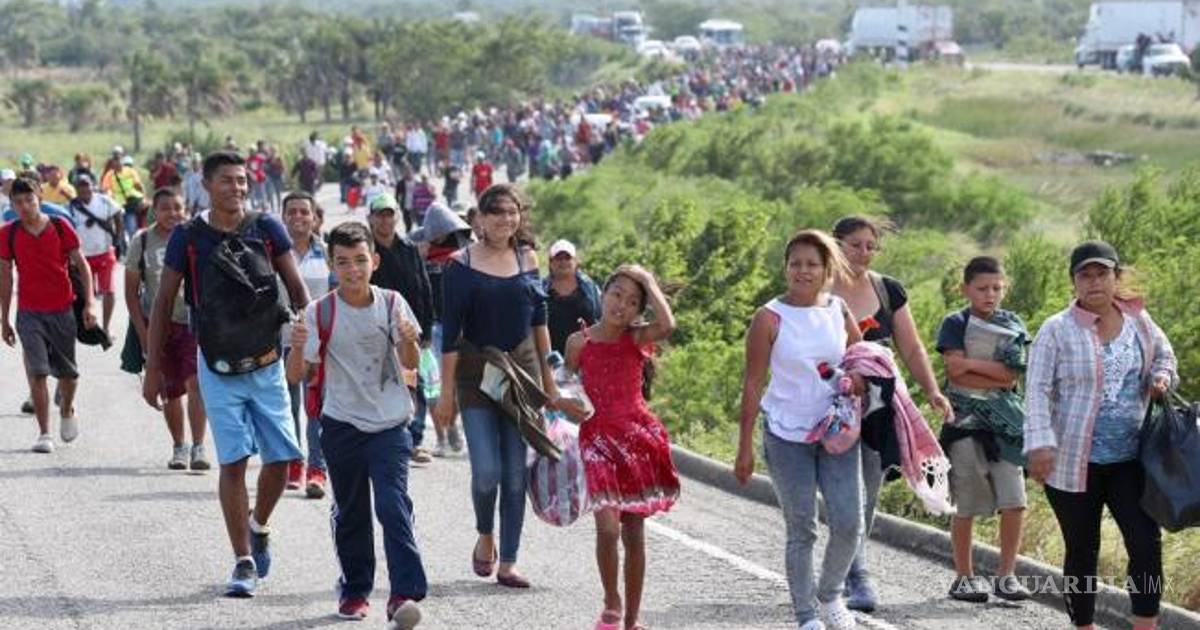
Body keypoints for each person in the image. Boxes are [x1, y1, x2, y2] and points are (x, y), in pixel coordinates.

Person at [143, 151, 310, 597]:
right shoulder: (188, 237)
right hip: (216, 366)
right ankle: (243, 561)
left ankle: (259, 525)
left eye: (241, 181)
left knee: (281, 459)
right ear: (205, 184)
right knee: (233, 462)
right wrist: (153, 368)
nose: (236, 188)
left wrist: (315, 341)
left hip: (267, 363)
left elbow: (297, 289)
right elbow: (163, 302)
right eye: (226, 181)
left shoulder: (266, 227)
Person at [1025, 240, 1177, 630]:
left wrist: (1161, 377)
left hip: (1131, 459)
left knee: (1145, 542)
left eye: (1102, 273)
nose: (1094, 282)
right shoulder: (1056, 330)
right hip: (1073, 462)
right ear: (1073, 282)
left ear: (1116, 277)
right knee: (1082, 548)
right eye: (1085, 275)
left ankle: (1145, 624)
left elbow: (1165, 356)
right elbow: (1037, 389)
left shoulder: (1140, 321)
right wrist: (1039, 444)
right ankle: (1083, 625)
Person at [285, 222, 427, 629]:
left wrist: (408, 339)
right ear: (332, 265)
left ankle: (403, 594)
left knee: (392, 505)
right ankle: (355, 589)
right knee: (351, 512)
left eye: (360, 260)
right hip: (342, 424)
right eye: (343, 262)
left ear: (375, 261)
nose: (353, 270)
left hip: (390, 424)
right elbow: (296, 375)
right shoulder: (320, 312)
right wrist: (297, 346)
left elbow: (411, 362)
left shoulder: (392, 303)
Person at [734, 230, 865, 630]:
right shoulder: (769, 317)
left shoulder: (838, 310)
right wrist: (744, 448)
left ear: (826, 270)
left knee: (849, 523)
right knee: (802, 528)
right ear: (785, 268)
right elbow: (753, 383)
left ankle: (830, 596)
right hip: (786, 435)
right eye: (795, 264)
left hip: (837, 433)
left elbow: (861, 358)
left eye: (812, 264)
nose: (803, 271)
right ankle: (806, 615)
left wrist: (859, 381)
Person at [431, 183, 559, 589]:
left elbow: (539, 323)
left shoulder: (528, 258)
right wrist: (446, 397)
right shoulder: (459, 264)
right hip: (476, 374)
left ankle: (509, 562)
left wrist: (550, 383)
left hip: (521, 375)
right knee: (487, 472)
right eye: (497, 212)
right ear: (480, 219)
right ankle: (485, 533)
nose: (506, 219)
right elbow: (450, 335)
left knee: (516, 475)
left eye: (512, 212)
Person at [829, 216, 953, 613]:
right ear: (835, 244)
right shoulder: (817, 286)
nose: (863, 253)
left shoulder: (888, 290)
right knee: (841, 491)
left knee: (867, 490)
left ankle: (855, 574)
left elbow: (912, 347)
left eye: (871, 246)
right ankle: (843, 572)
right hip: (828, 404)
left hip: (878, 407)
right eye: (855, 244)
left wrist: (932, 390)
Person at [562, 265, 680, 630]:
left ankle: (631, 619)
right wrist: (564, 402)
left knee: (633, 533)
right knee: (608, 529)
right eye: (616, 294)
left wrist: (649, 281)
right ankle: (611, 601)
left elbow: (668, 325)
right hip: (596, 440)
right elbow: (566, 385)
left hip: (635, 443)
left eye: (632, 302)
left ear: (638, 310)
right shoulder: (578, 341)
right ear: (603, 293)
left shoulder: (636, 338)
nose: (621, 305)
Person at [935, 256, 1031, 603]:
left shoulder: (1013, 325)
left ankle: (1006, 576)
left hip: (1006, 428)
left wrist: (971, 365)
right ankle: (964, 577)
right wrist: (989, 372)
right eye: (982, 288)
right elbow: (954, 372)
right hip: (964, 426)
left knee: (1015, 502)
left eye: (996, 288)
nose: (990, 295)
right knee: (967, 503)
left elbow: (1010, 376)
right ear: (965, 289)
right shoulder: (955, 323)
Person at [1, 177, 97, 453]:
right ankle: (44, 433)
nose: (24, 207)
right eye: (18, 202)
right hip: (29, 314)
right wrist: (4, 319)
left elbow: (82, 266)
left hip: (62, 310)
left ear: (40, 197)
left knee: (69, 375)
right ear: (12, 205)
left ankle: (66, 408)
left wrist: (90, 304)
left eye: (29, 200)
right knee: (38, 373)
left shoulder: (60, 226)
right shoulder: (8, 234)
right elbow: (5, 278)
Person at [125, 188, 209, 470]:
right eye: (165, 208)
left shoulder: (195, 237)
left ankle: (199, 447)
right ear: (154, 211)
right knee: (170, 389)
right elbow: (131, 293)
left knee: (195, 383)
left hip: (191, 322)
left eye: (177, 207)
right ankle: (179, 446)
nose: (172, 213)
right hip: (158, 324)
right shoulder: (142, 240)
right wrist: (143, 334)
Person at [368, 194, 435, 465]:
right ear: (371, 218)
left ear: (397, 216)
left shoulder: (409, 249)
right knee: (380, 386)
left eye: (389, 214)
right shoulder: (366, 251)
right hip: (375, 333)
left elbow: (424, 288)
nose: (385, 220)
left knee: (414, 384)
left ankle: (413, 440)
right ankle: (384, 439)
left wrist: (426, 329)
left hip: (409, 332)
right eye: (380, 215)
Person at [280, 191, 333, 498]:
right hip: (281, 343)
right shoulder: (273, 253)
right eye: (292, 212)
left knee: (316, 408)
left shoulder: (327, 253)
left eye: (304, 212)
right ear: (283, 216)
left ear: (314, 217)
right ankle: (293, 463)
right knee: (287, 407)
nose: (298, 217)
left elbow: (337, 296)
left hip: (319, 346)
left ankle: (317, 468)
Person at [410, 202, 471, 458]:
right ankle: (442, 436)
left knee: (455, 384)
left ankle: (452, 424)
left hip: (460, 326)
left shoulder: (465, 247)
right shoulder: (416, 246)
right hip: (430, 327)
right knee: (432, 386)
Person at [67, 175, 123, 335]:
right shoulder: (71, 207)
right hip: (82, 257)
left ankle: (106, 327)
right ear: (76, 189)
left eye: (87, 185)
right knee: (85, 293)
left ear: (93, 186)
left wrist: (118, 239)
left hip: (104, 253)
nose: (84, 189)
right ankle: (89, 326)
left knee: (108, 290)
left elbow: (118, 215)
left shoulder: (104, 201)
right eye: (80, 186)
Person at [542, 239, 602, 355]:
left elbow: (599, 318)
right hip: (551, 357)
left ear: (575, 261)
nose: (563, 262)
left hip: (587, 355)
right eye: (559, 258)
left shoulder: (589, 287)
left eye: (567, 258)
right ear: (551, 262)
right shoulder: (541, 289)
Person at [102, 155, 145, 238]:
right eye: (115, 162)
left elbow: (138, 185)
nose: (117, 164)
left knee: (131, 228)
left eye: (118, 161)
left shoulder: (130, 171)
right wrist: (109, 197)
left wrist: (143, 198)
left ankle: (133, 243)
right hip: (117, 206)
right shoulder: (109, 175)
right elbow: (106, 189)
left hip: (130, 204)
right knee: (119, 230)